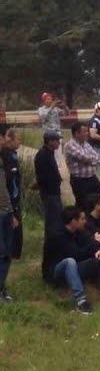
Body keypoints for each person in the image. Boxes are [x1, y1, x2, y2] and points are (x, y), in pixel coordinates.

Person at [42, 205, 100, 314]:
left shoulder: (79, 232)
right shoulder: (57, 236)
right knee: (69, 261)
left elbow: (89, 245)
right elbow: (76, 255)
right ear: (73, 221)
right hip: (56, 271)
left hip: (76, 267)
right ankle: (81, 301)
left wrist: (98, 250)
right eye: (82, 219)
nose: (85, 222)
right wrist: (96, 243)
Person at [63, 122, 100, 209]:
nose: (87, 133)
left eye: (87, 131)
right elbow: (85, 158)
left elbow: (97, 157)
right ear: (76, 133)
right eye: (84, 131)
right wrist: (93, 160)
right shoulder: (70, 145)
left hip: (92, 178)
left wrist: (92, 160)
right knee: (84, 205)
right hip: (80, 181)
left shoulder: (86, 144)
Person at [34, 130, 64, 235]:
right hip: (49, 193)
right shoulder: (43, 155)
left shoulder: (49, 153)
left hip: (54, 192)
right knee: (53, 221)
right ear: (50, 141)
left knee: (57, 219)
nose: (59, 143)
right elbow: (42, 177)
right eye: (57, 141)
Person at [2, 128, 22, 263]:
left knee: (17, 225)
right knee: (12, 225)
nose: (20, 142)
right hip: (8, 197)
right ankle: (9, 254)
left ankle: (15, 253)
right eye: (17, 139)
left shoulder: (13, 154)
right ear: (8, 139)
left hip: (15, 195)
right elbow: (7, 180)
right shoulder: (5, 156)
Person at [0, 132, 14, 302]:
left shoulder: (4, 157)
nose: (4, 140)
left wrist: (11, 211)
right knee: (1, 253)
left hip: (6, 210)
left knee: (6, 254)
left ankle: (2, 288)